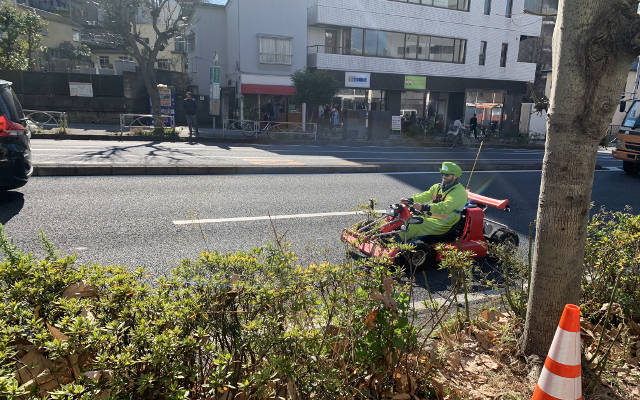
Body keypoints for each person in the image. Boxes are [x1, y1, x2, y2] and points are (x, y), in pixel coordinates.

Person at [399, 162, 468, 241]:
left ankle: (395, 246)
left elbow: (445, 207)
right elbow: (426, 195)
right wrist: (411, 200)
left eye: (447, 175)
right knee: (403, 218)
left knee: (414, 224)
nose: (443, 177)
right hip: (432, 216)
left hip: (444, 222)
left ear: (455, 176)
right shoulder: (438, 187)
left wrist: (424, 207)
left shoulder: (459, 192)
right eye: (442, 174)